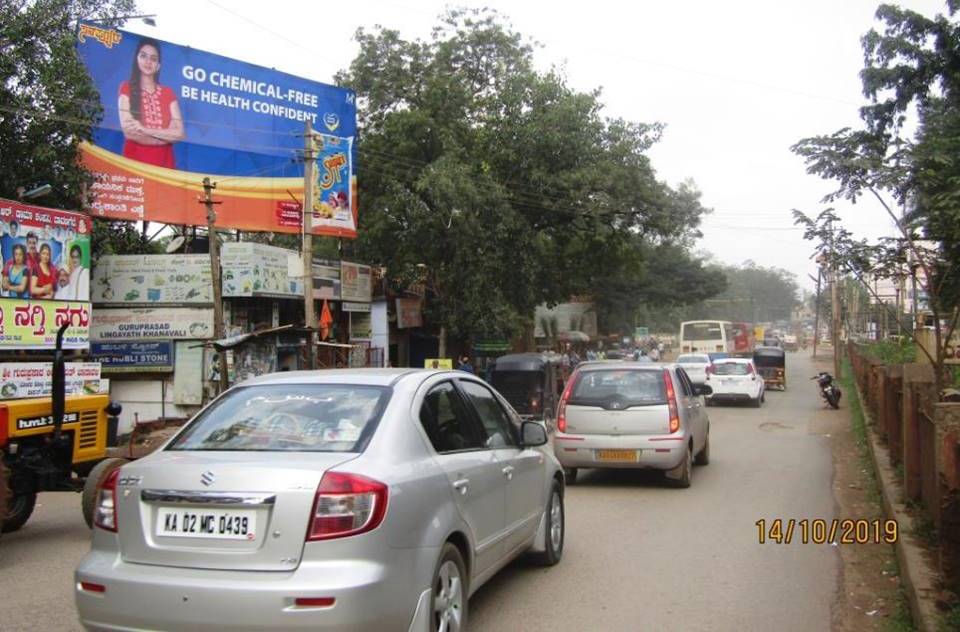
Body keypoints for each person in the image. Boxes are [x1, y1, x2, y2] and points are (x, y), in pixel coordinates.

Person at [118, 38, 185, 168]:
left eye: (153, 58)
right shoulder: (126, 88)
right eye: (143, 56)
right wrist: (165, 136)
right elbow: (130, 133)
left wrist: (144, 130)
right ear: (137, 59)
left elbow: (179, 134)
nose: (148, 62)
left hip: (164, 170)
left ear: (158, 65)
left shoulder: (168, 93)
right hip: (134, 167)